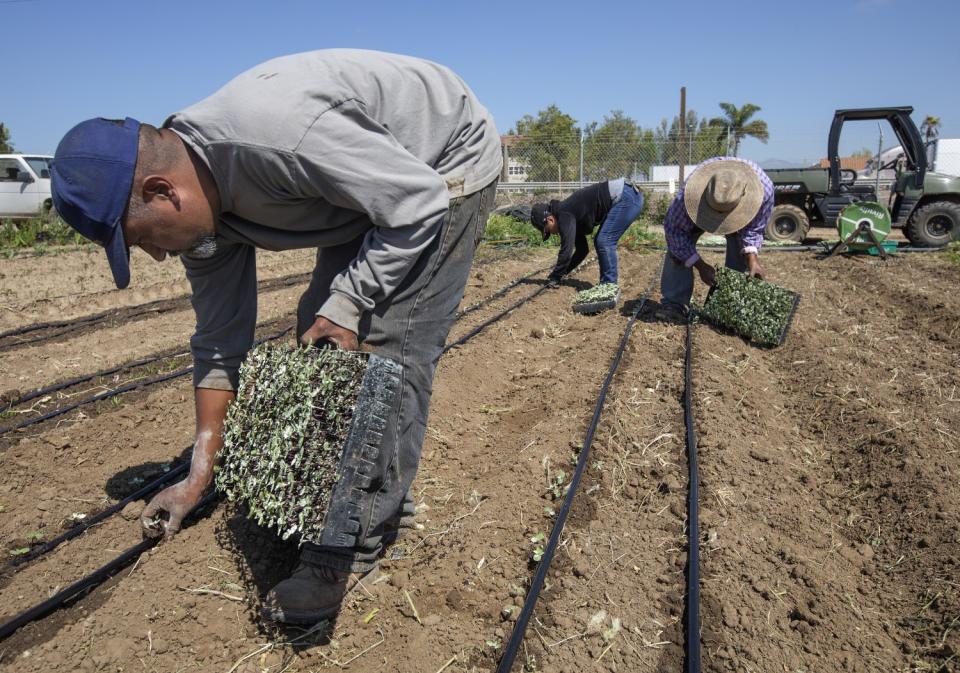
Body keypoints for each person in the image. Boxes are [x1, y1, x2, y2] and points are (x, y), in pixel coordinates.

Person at [49, 49, 502, 625]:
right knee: (320, 330)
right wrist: (199, 473)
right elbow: (219, 343)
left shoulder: (278, 138)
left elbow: (416, 201)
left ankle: (349, 548)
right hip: (365, 187)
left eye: (143, 238)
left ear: (164, 192)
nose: (157, 254)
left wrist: (352, 304)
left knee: (387, 345)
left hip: (439, 166)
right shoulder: (200, 218)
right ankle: (368, 489)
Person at [658, 157, 773, 318]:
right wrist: (701, 266)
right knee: (677, 254)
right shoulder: (688, 195)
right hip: (697, 212)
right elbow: (675, 233)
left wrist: (753, 259)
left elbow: (753, 230)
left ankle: (730, 304)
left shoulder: (764, 191)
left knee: (741, 249)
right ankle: (674, 303)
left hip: (739, 215)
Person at [529, 178, 644, 288]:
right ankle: (608, 285)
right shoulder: (572, 216)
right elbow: (582, 250)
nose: (553, 234)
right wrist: (563, 272)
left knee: (604, 241)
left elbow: (566, 250)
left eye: (548, 230)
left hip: (626, 196)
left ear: (550, 219)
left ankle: (608, 287)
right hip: (628, 195)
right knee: (601, 240)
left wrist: (555, 275)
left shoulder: (564, 215)